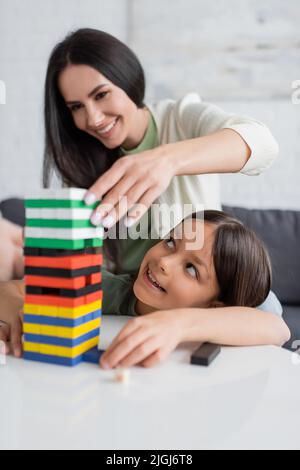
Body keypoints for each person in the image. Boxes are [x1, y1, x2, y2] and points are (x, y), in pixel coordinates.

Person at [0, 210, 290, 365]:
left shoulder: (246, 306)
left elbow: (279, 330)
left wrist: (176, 323)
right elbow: (12, 289)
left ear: (215, 305)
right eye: (170, 243)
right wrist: (24, 312)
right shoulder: (112, 289)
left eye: (191, 268)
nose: (164, 262)